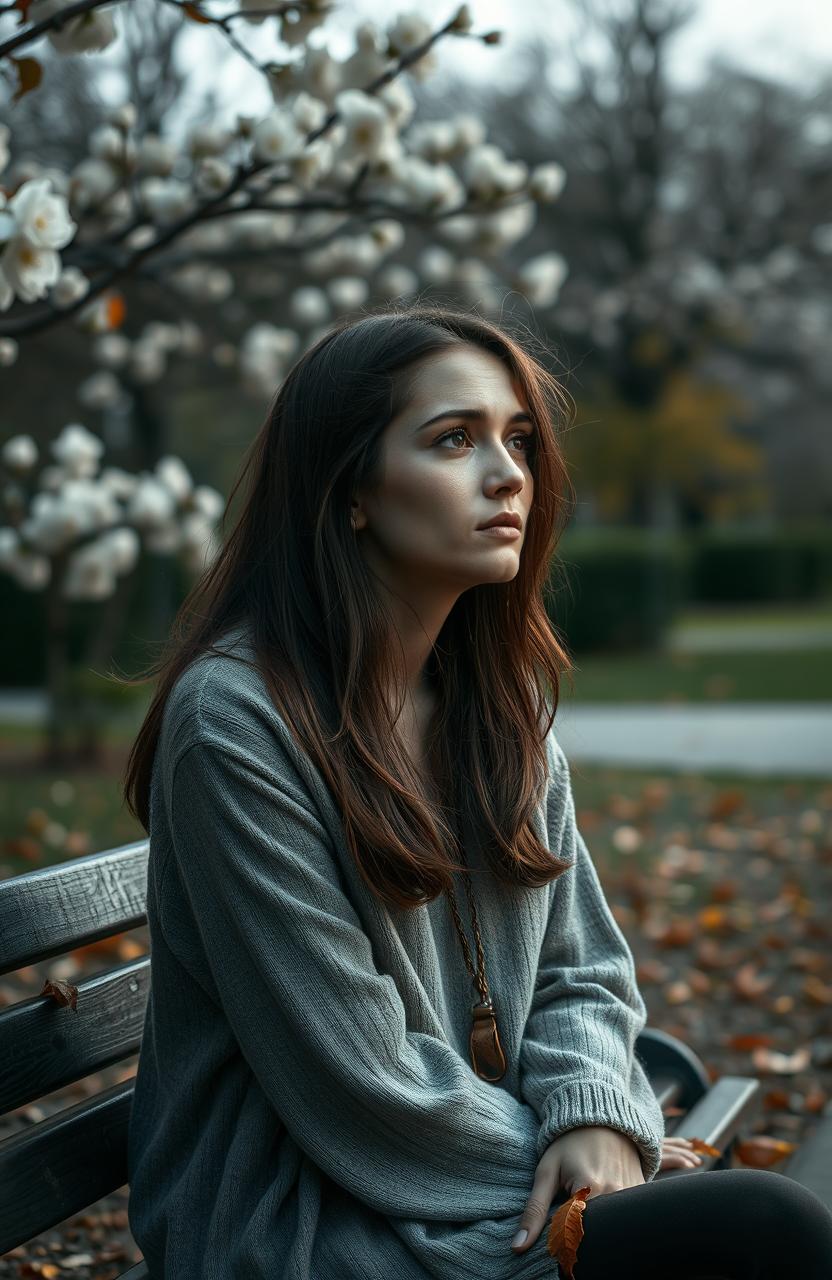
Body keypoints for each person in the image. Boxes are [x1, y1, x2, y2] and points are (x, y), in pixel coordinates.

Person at [122, 303, 832, 1278]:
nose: (507, 474)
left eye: (518, 439)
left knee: (690, 1111)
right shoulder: (238, 724)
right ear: (351, 488)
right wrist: (585, 1175)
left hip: (469, 1180)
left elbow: (582, 966)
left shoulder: (493, 704)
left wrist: (592, 1111)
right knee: (768, 1225)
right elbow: (356, 1078)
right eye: (454, 439)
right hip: (305, 1222)